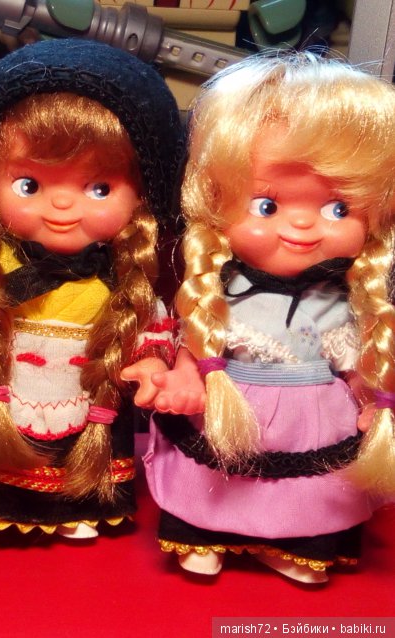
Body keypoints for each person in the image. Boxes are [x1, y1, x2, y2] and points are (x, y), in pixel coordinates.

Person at [145, 52, 395, 583]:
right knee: (217, 477)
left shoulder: (342, 301)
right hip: (231, 404)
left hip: (313, 416)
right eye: (267, 205)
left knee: (308, 488)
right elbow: (195, 342)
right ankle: (206, 533)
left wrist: (371, 397)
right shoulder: (218, 290)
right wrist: (185, 376)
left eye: (338, 209)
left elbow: (354, 363)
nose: (303, 226)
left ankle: (288, 543)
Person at [0, 38, 183, 538]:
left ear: (142, 195)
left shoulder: (124, 276)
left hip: (89, 395)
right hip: (6, 393)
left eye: (99, 188)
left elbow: (149, 328)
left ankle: (75, 506)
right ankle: (1, 501)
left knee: (83, 444)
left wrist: (153, 363)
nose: (61, 206)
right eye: (29, 185)